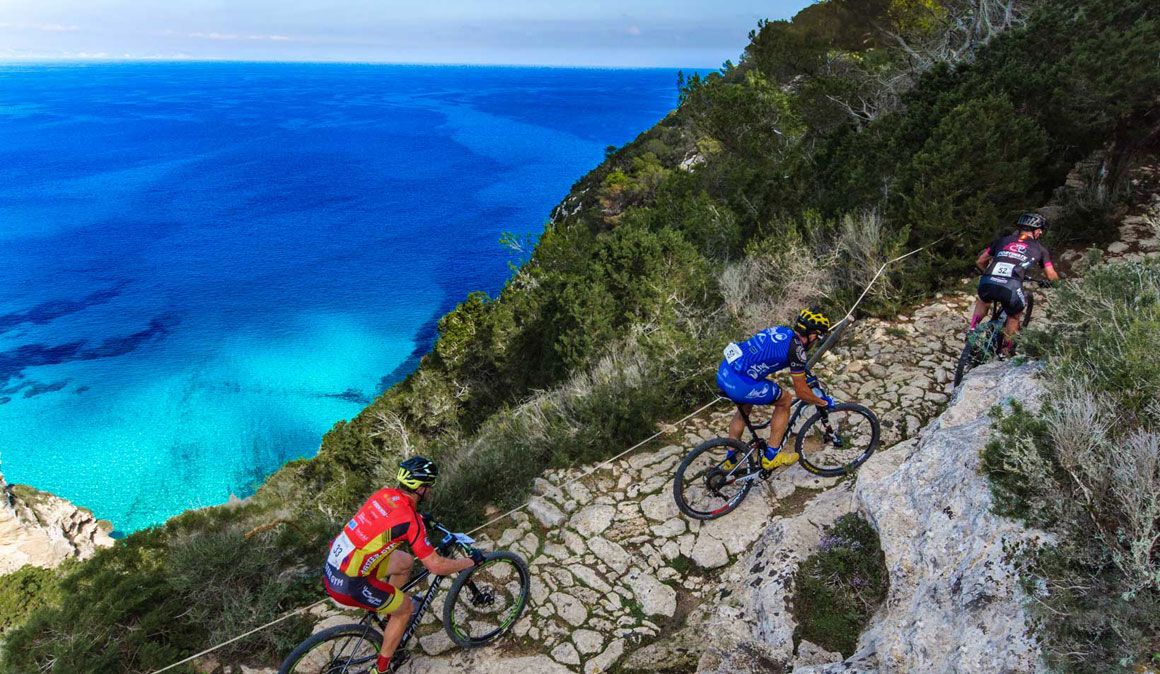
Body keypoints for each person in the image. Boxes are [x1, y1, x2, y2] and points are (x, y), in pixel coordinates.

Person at [322, 456, 479, 674]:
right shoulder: (409, 520)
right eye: (429, 486)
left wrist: (421, 519)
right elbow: (435, 566)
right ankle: (382, 669)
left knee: (404, 562)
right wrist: (469, 562)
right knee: (405, 609)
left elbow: (387, 518)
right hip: (349, 583)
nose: (431, 490)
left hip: (335, 565)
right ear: (420, 489)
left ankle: (388, 616)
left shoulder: (384, 494)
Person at [716, 307, 836, 471]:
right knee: (785, 399)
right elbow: (801, 392)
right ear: (812, 334)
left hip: (725, 371)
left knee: (744, 407)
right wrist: (821, 402)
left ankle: (730, 459)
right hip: (741, 383)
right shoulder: (798, 351)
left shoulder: (781, 330)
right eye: (818, 336)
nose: (816, 340)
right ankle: (771, 457)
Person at [970, 212, 1060, 355]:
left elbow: (980, 261)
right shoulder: (1040, 250)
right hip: (1010, 285)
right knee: (1014, 315)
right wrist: (1057, 285)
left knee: (984, 299)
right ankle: (1005, 350)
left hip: (988, 279)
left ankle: (972, 330)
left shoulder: (1002, 240)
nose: (1041, 232)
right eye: (1040, 230)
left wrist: (988, 273)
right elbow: (1050, 274)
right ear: (1035, 231)